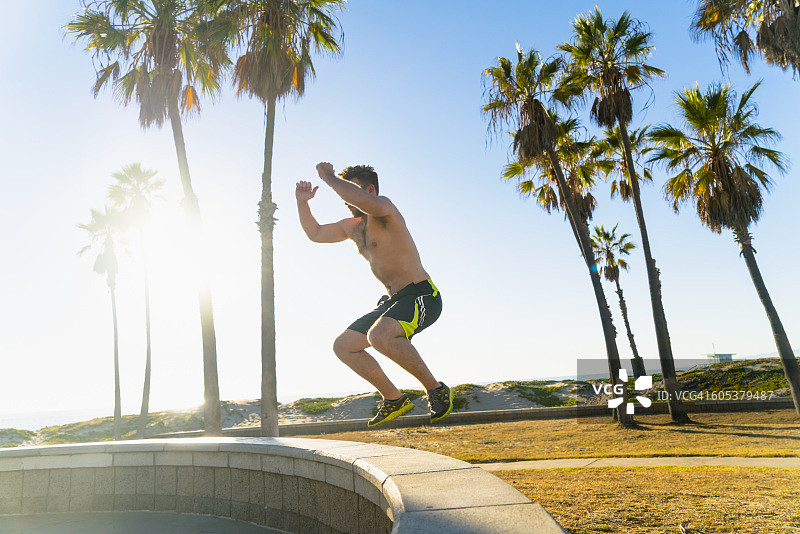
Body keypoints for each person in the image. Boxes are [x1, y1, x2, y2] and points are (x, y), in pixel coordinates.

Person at [295, 162, 451, 427]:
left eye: (351, 190)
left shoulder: (385, 210)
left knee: (378, 336)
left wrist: (330, 178)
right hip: (393, 302)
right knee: (344, 346)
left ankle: (435, 389)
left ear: (369, 190)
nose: (345, 200)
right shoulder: (352, 227)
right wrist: (302, 202)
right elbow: (316, 233)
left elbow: (355, 197)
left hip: (421, 295)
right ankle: (394, 399)